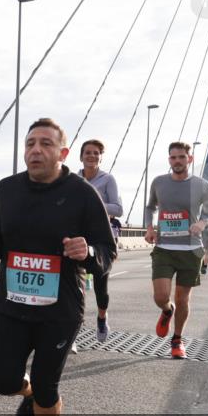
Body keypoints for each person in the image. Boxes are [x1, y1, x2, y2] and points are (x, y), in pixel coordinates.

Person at [0, 118, 116, 416]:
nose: (35, 150)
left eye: (45, 144)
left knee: (46, 384)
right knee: (3, 381)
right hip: (12, 305)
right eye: (30, 143)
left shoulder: (83, 194)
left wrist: (88, 252)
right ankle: (27, 396)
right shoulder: (6, 189)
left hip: (60, 311)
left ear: (62, 153)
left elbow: (107, 250)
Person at [144, 142, 208, 358]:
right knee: (161, 296)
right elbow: (150, 207)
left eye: (181, 157)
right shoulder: (159, 182)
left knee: (182, 299)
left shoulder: (202, 185)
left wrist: (203, 223)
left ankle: (177, 340)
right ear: (169, 159)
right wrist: (149, 227)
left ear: (190, 159)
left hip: (191, 250)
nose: (177, 161)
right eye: (173, 157)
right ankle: (167, 310)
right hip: (164, 248)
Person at [78, 139, 123, 342]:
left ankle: (102, 318)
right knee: (73, 288)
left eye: (96, 153)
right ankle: (73, 329)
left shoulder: (108, 179)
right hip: (78, 238)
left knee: (100, 288)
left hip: (101, 240)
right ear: (81, 156)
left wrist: (93, 204)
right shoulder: (73, 179)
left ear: (101, 157)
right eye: (88, 152)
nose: (92, 156)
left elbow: (118, 209)